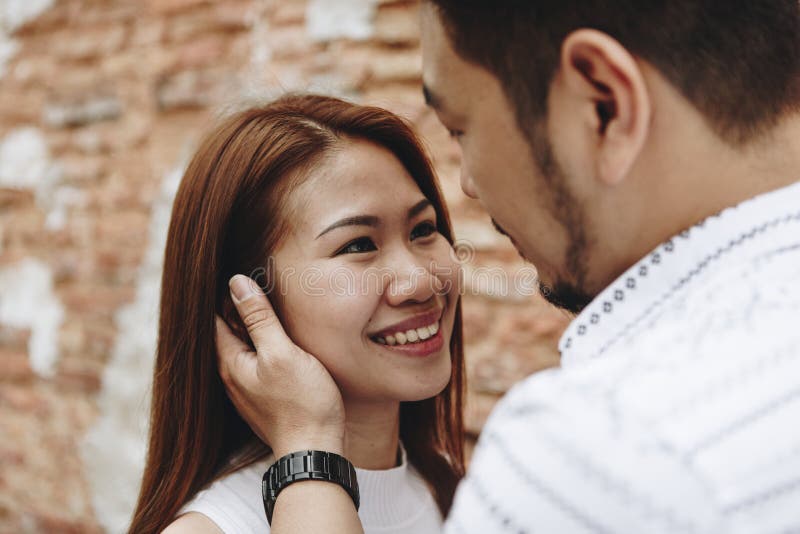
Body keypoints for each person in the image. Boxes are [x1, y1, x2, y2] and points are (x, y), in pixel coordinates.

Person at [217, 0, 800, 532]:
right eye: (356, 246)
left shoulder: (601, 450)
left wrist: (307, 454)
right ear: (248, 301)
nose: (468, 184)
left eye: (462, 129)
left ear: (604, 103)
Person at [128, 94, 468, 534]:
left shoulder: (453, 489)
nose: (421, 282)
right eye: (358, 245)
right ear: (244, 312)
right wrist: (309, 441)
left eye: (423, 230)